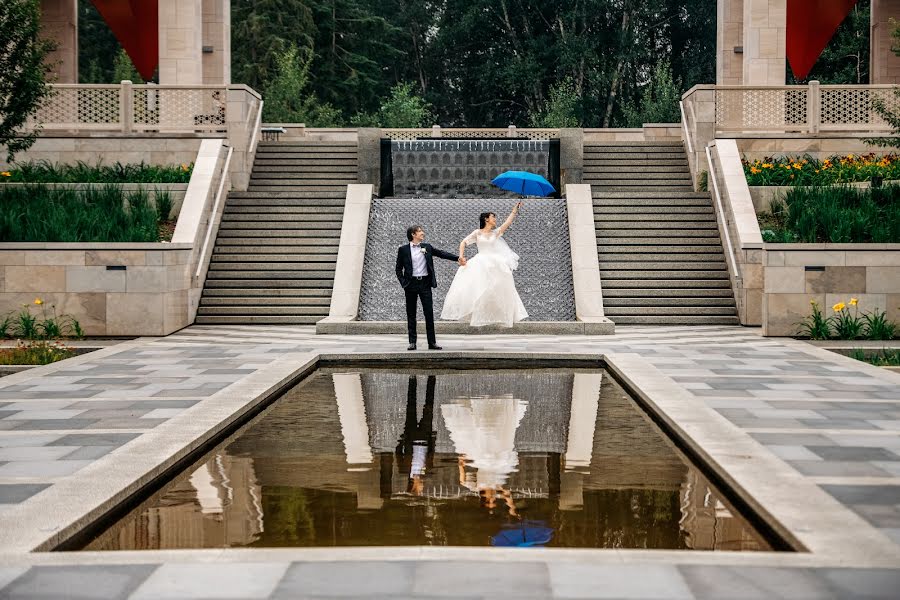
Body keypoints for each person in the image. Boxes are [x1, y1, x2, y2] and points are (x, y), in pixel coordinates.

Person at [440, 203, 528, 327]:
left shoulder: (495, 233)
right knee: (477, 288)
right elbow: (463, 242)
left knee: (497, 289)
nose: (495, 219)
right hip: (480, 262)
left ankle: (496, 314)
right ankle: (475, 312)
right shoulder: (477, 233)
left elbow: (507, 223)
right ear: (486, 219)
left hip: (495, 264)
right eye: (493, 217)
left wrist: (514, 211)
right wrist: (461, 256)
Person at [396, 224, 465, 350]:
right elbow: (398, 269)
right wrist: (404, 283)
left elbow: (441, 253)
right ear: (413, 234)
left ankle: (432, 343)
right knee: (411, 314)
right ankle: (412, 342)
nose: (423, 233)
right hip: (410, 285)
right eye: (420, 231)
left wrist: (457, 258)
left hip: (425, 284)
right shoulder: (403, 250)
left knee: (429, 313)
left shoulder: (427, 247)